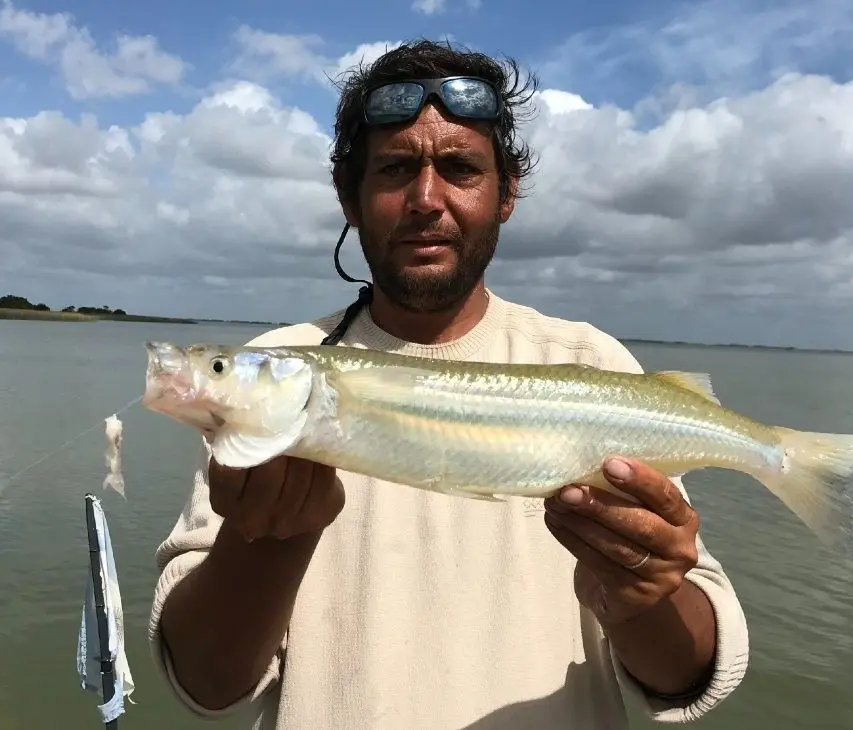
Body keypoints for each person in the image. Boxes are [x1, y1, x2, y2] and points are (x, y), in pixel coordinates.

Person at [147, 39, 750, 729]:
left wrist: (644, 594)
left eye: (460, 167)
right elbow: (206, 683)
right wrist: (267, 539)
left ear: (506, 194)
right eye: (397, 168)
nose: (426, 200)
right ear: (349, 194)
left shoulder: (592, 365)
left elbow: (688, 672)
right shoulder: (280, 363)